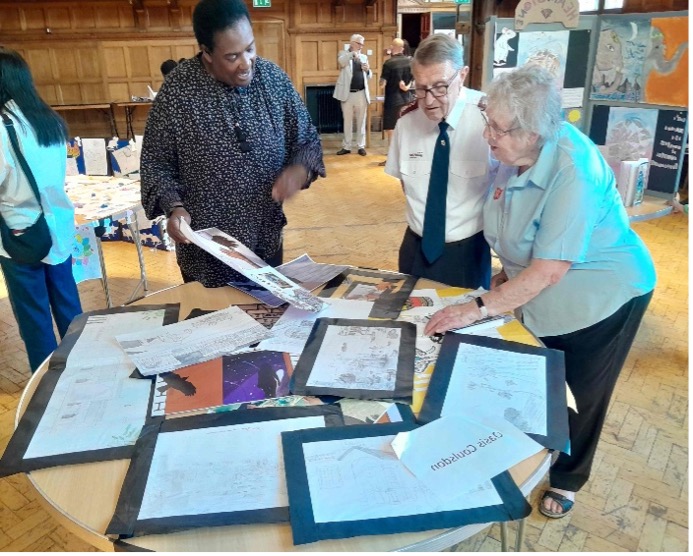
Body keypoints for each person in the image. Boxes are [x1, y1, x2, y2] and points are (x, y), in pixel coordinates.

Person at [424, 65, 656, 519]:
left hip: (604, 296)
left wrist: (476, 308)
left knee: (579, 393)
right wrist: (505, 279)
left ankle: (568, 477)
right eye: (488, 120)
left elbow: (549, 269)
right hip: (544, 289)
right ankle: (528, 448)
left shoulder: (574, 171)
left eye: (498, 128)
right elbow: (519, 227)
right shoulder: (517, 152)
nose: (487, 135)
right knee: (537, 379)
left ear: (533, 132)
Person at [141, 0, 325, 287]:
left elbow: (306, 139)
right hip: (205, 252)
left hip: (265, 242)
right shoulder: (178, 91)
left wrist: (299, 169)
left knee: (267, 312)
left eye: (250, 48)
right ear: (207, 52)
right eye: (232, 56)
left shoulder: (273, 79)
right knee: (214, 315)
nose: (246, 63)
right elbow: (155, 163)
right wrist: (174, 207)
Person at [385, 34, 495, 289]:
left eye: (440, 87)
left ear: (462, 75)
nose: (429, 100)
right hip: (415, 248)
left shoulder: (489, 118)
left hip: (468, 253)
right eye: (421, 88)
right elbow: (406, 185)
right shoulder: (406, 122)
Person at [0, 47, 83, 372]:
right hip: (58, 227)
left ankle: (47, 385)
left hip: (22, 232)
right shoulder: (49, 121)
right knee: (69, 307)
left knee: (34, 319)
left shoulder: (3, 127)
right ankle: (82, 368)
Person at [333, 34, 372, 156]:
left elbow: (369, 76)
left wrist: (368, 71)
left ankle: (361, 146)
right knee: (348, 121)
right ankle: (347, 146)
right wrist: (352, 54)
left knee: (361, 120)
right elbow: (341, 62)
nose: (361, 46)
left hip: (361, 93)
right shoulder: (343, 54)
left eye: (362, 44)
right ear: (352, 43)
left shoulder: (364, 57)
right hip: (347, 94)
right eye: (359, 43)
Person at [379, 38, 413, 166]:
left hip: (393, 100)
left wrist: (381, 81)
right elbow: (413, 80)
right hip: (407, 100)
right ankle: (405, 158)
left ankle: (392, 160)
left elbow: (382, 84)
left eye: (391, 46)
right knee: (405, 129)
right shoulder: (411, 62)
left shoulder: (389, 63)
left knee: (391, 130)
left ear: (393, 47)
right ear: (402, 49)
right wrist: (406, 87)